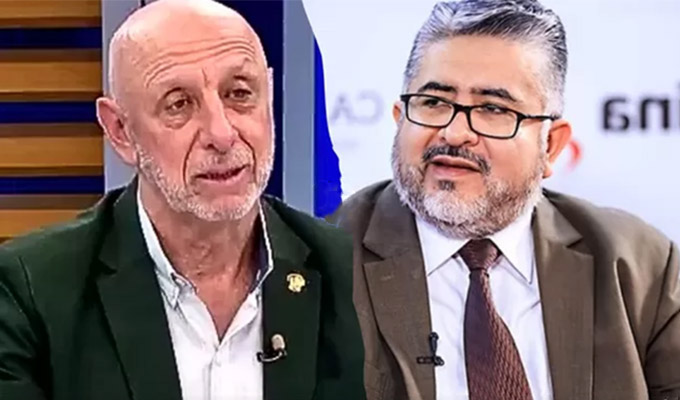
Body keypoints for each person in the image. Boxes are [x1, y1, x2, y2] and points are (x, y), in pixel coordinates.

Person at [0, 1, 365, 399]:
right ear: (120, 130)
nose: (222, 134)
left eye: (239, 94)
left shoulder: (354, 276)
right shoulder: (29, 293)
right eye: (179, 104)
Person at [333, 1, 680, 400]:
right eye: (434, 102)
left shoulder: (640, 268)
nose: (454, 133)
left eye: (493, 109)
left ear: (551, 146)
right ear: (400, 118)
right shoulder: (325, 261)